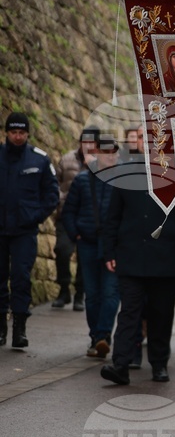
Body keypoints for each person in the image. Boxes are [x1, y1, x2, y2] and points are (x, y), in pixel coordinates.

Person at [99, 125, 175, 384]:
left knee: (161, 313)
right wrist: (109, 250)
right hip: (130, 254)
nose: (148, 143)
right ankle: (120, 364)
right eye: (143, 138)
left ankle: (159, 364)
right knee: (129, 312)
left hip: (165, 256)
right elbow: (112, 217)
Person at [0, 113, 60, 348]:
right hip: (1, 230)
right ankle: (1, 329)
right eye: (14, 132)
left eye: (22, 133)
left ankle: (19, 330)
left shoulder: (40, 160)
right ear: (7, 132)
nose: (17, 136)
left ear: (27, 134)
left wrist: (33, 218)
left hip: (24, 232)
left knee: (21, 279)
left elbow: (51, 195)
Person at [62, 132, 120, 357]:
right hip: (87, 243)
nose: (110, 156)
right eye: (106, 152)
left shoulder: (122, 181)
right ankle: (96, 337)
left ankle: (103, 335)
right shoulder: (82, 179)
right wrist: (76, 234)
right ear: (97, 153)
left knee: (110, 292)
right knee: (93, 293)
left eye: (113, 152)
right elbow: (68, 212)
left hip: (112, 246)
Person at [53, 127, 98, 310]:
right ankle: (64, 289)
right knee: (62, 250)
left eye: (91, 143)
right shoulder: (67, 159)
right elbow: (54, 183)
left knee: (84, 257)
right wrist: (60, 199)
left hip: (88, 217)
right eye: (84, 142)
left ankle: (80, 294)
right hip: (66, 214)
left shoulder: (99, 164)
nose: (87, 146)